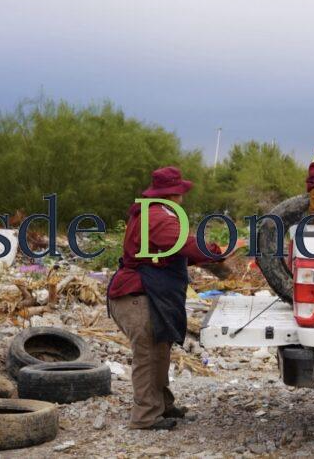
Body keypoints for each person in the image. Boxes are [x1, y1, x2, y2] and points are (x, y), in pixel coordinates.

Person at [107, 166, 229, 431]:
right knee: (149, 355)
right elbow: (185, 244)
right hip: (137, 297)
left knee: (159, 351)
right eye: (181, 192)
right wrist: (216, 256)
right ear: (174, 194)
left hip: (143, 295)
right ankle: (145, 416)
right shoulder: (157, 216)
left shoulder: (152, 212)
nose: (183, 197)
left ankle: (161, 405)